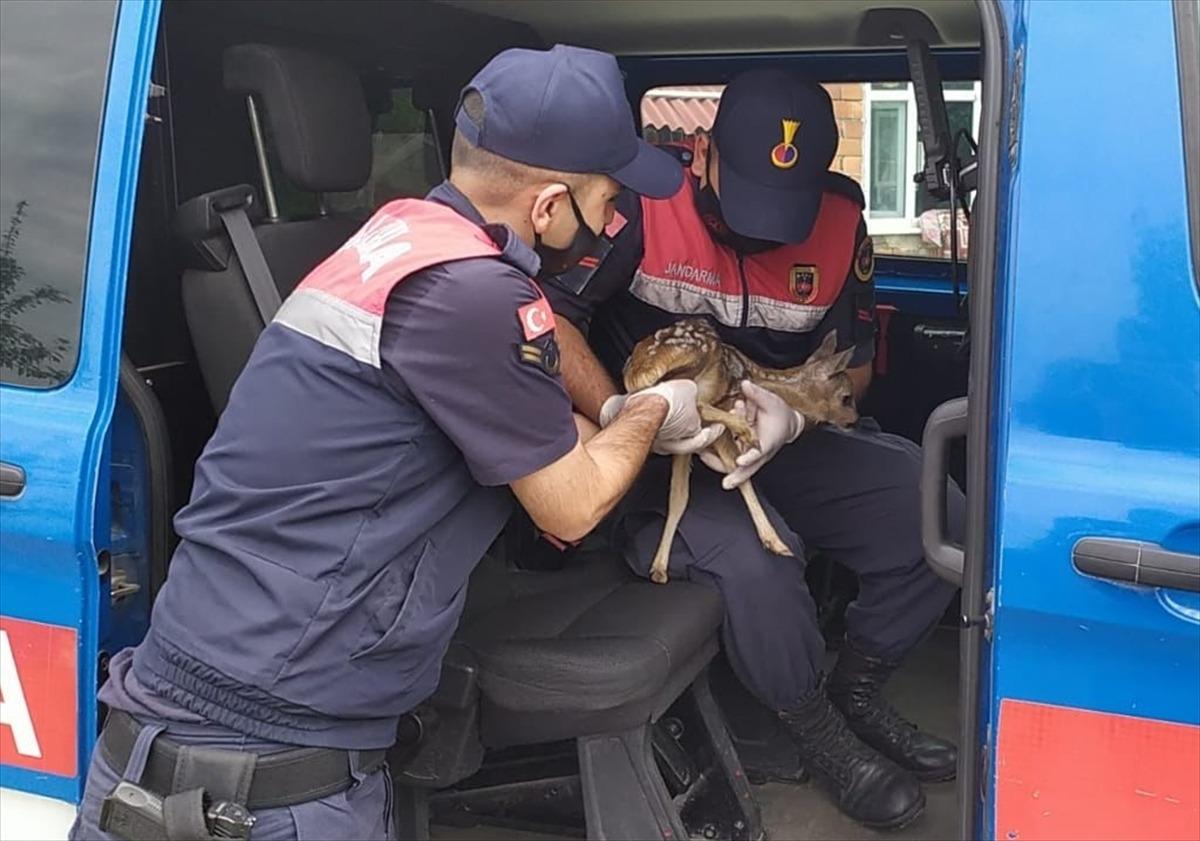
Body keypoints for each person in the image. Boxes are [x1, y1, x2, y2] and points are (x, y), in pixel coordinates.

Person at [70, 45, 721, 840]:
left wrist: (616, 415)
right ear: (549, 205)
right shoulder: (471, 293)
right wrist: (655, 409)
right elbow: (573, 504)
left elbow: (545, 425)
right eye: (607, 202)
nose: (611, 225)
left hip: (221, 724)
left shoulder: (402, 239)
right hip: (257, 775)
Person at [541, 68, 966, 831]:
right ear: (700, 154)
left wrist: (794, 421)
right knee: (760, 561)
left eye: (786, 210)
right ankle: (814, 730)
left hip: (778, 437)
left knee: (934, 502)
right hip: (659, 458)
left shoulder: (838, 223)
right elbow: (549, 321)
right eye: (748, 200)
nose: (768, 228)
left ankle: (856, 692)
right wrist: (618, 409)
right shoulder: (637, 207)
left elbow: (857, 363)